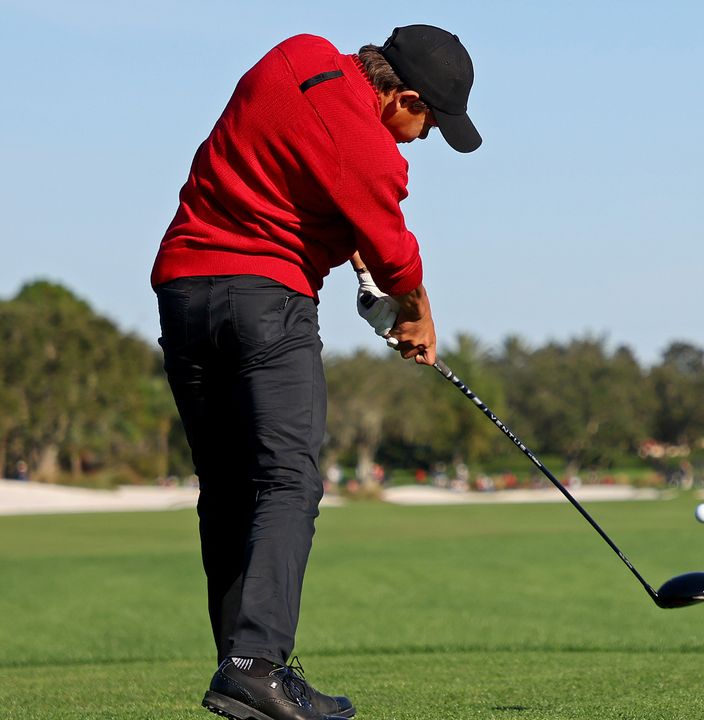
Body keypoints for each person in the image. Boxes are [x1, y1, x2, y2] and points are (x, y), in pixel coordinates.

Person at [151, 24, 481, 720]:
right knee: (288, 479)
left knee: (232, 489)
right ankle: (256, 666)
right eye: (427, 123)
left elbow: (297, 167)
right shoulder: (374, 155)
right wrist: (417, 316)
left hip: (184, 292)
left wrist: (362, 270)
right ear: (404, 98)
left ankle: (245, 670)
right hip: (265, 302)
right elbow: (396, 259)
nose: (419, 139)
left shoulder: (294, 54)